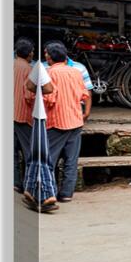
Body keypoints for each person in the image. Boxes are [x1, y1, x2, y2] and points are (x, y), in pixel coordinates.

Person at [41, 41, 91, 202]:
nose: (45, 55)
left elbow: (48, 99)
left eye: (46, 53)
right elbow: (84, 95)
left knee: (49, 160)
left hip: (56, 122)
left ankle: (49, 193)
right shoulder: (76, 72)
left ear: (50, 56)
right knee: (71, 160)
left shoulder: (48, 74)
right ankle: (67, 193)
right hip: (76, 120)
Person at [13, 37, 35, 193]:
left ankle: (15, 181)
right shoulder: (28, 70)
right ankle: (29, 183)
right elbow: (29, 96)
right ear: (29, 54)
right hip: (22, 116)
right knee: (28, 153)